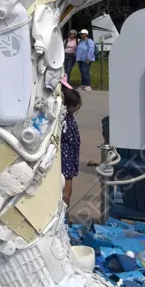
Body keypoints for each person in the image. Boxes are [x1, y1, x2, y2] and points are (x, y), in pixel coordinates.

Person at [61, 82, 82, 214]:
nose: (75, 109)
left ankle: (64, 213)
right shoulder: (66, 120)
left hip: (67, 155)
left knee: (65, 186)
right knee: (67, 187)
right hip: (67, 156)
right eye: (73, 106)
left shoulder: (65, 118)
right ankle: (64, 214)